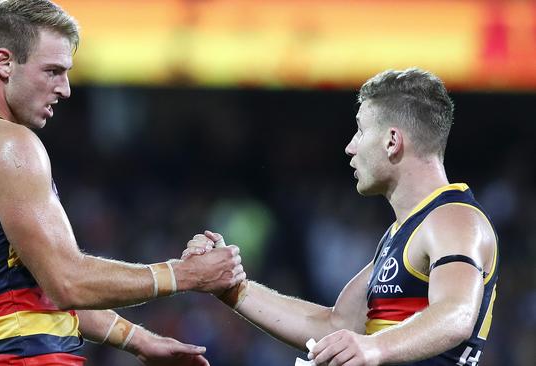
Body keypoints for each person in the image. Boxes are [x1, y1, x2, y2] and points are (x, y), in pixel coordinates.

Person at [0, 1, 245, 365]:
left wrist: (139, 339)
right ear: (4, 63)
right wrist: (183, 275)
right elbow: (66, 282)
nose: (66, 89)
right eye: (53, 71)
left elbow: (37, 288)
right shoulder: (7, 144)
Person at [186, 68, 499, 365]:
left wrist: (374, 346)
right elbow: (333, 324)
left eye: (361, 131)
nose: (350, 147)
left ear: (392, 141)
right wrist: (229, 285)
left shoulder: (454, 218)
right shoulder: (403, 234)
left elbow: (457, 313)